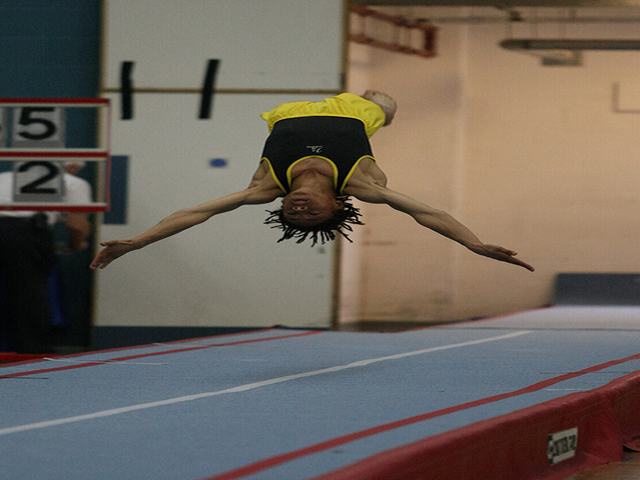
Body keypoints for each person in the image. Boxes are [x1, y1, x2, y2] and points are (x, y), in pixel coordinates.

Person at [90, 91, 534, 272]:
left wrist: (138, 242)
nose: (297, 207)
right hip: (351, 112)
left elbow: (196, 212)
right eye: (312, 213)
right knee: (384, 102)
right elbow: (426, 212)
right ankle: (383, 109)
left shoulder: (265, 187)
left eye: (293, 213)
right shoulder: (363, 184)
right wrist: (473, 244)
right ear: (339, 205)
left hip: (287, 113)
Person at [0, 161, 92, 353]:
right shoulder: (74, 182)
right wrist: (74, 245)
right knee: (29, 294)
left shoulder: (5, 178)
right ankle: (31, 352)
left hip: (15, 229)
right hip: (25, 234)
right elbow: (77, 225)